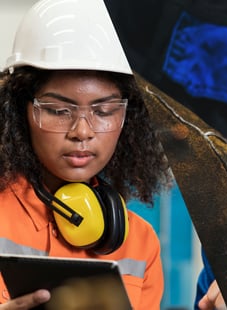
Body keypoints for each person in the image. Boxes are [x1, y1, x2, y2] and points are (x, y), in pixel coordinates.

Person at [0, 0, 169, 309]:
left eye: (104, 111)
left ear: (128, 121)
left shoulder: (141, 244)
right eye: (58, 110)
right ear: (19, 111)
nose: (82, 131)